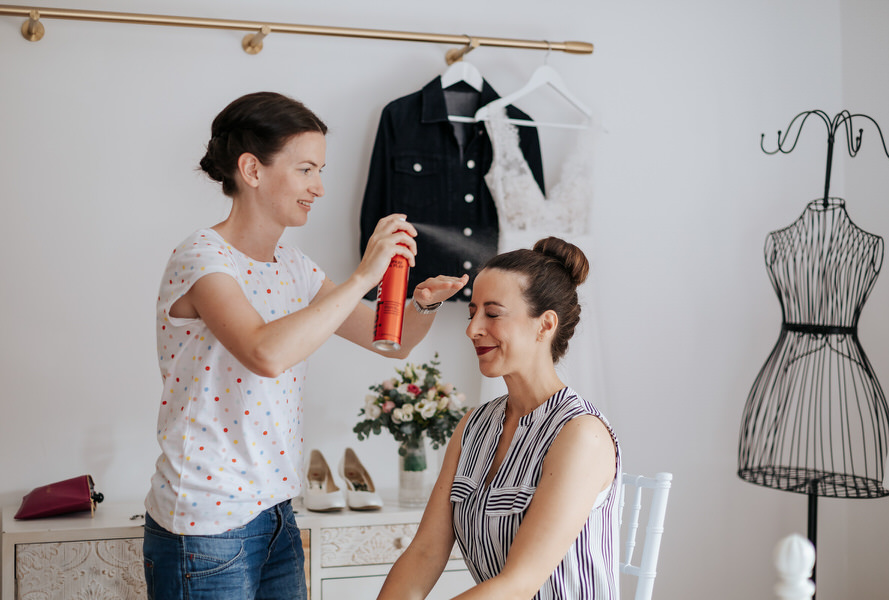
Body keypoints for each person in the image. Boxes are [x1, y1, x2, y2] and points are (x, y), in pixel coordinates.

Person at [141, 91, 468, 600]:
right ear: (252, 170)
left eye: (320, 170)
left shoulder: (296, 267)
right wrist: (363, 275)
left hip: (276, 514)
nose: (319, 187)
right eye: (306, 169)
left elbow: (390, 344)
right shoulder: (202, 258)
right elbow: (264, 352)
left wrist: (421, 305)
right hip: (205, 523)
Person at [377, 237, 620, 600]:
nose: (472, 329)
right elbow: (425, 553)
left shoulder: (581, 435)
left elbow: (518, 585)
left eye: (492, 314)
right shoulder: (473, 427)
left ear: (545, 325)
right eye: (471, 312)